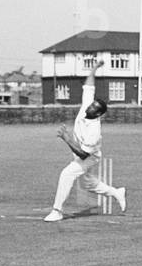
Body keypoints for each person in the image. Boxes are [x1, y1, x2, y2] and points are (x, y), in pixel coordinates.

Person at [43, 60, 126, 221]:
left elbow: (83, 155)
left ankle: (57, 211)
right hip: (81, 152)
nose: (90, 107)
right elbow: (89, 86)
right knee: (89, 184)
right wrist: (95, 68)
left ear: (98, 114)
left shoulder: (94, 131)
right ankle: (117, 192)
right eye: (92, 104)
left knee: (67, 174)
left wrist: (66, 138)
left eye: (94, 107)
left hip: (90, 157)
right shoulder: (87, 106)